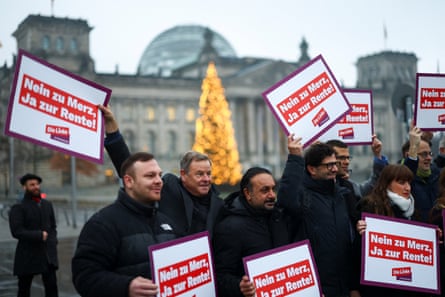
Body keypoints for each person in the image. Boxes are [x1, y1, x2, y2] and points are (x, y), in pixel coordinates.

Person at [99, 105, 223, 238]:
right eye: (199, 174)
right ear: (183, 175)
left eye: (208, 174)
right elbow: (130, 169)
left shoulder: (218, 203)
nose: (206, 179)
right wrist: (113, 134)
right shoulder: (169, 188)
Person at [71, 152, 178, 297]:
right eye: (150, 176)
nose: (159, 181)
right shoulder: (103, 223)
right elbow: (84, 277)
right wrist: (126, 287)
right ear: (128, 182)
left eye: (159, 175)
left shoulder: (166, 222)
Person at [277, 135, 358, 297]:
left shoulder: (342, 195)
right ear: (312, 169)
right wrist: (295, 158)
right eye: (329, 165)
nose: (335, 169)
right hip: (316, 288)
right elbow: (286, 198)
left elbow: (347, 247)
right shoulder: (303, 196)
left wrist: (353, 286)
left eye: (335, 164)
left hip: (343, 288)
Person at [212, 167, 290, 297]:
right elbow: (219, 276)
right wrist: (240, 287)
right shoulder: (230, 228)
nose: (272, 195)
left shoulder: (278, 218)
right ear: (248, 194)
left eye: (273, 188)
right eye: (265, 190)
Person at [355, 164, 429, 297]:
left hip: (407, 285)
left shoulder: (414, 211)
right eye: (401, 183)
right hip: (379, 288)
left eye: (409, 183)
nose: (407, 187)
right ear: (387, 184)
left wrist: (432, 238)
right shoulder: (371, 207)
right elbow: (356, 253)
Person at [9, 173, 58, 297]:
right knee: (24, 289)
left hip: (47, 255)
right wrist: (39, 235)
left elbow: (53, 227)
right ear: (25, 187)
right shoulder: (18, 207)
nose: (36, 187)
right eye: (32, 185)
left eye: (37, 184)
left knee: (52, 288)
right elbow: (16, 231)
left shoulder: (47, 204)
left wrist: (52, 241)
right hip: (27, 255)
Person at [326, 135, 388, 202]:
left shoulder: (348, 185)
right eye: (342, 158)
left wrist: (377, 155)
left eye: (348, 158)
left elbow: (371, 187)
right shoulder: (318, 189)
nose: (347, 162)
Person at [403, 125, 441, 222]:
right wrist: (414, 147)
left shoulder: (437, 176)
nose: (429, 158)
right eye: (424, 154)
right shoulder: (404, 180)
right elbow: (408, 172)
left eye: (430, 153)